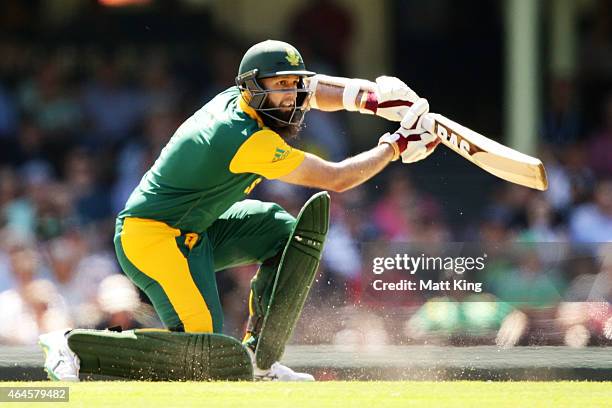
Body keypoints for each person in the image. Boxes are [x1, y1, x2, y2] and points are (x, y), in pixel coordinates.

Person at [39, 40, 439, 382]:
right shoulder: (244, 137)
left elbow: (315, 88)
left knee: (288, 236)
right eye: (280, 86)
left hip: (196, 230)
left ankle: (260, 362)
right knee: (206, 353)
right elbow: (336, 179)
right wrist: (397, 144)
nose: (291, 97)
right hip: (152, 238)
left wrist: (372, 98)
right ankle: (75, 346)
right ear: (251, 89)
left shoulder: (243, 97)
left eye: (293, 86)